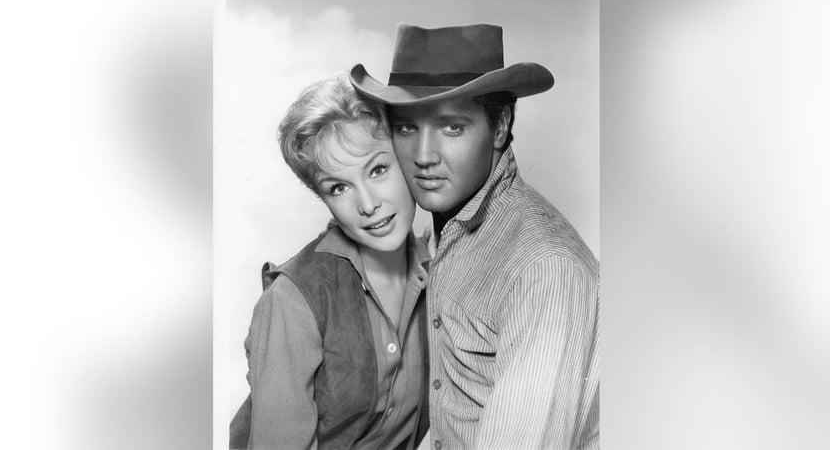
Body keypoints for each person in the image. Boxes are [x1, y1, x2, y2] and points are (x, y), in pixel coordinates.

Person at [350, 23, 600, 449]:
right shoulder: (448, 231)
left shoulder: (543, 268)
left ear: (500, 126)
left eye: (452, 128)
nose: (424, 157)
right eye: (407, 128)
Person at [229, 73, 431, 449]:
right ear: (322, 197)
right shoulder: (293, 300)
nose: (368, 204)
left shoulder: (441, 272)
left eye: (378, 169)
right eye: (339, 187)